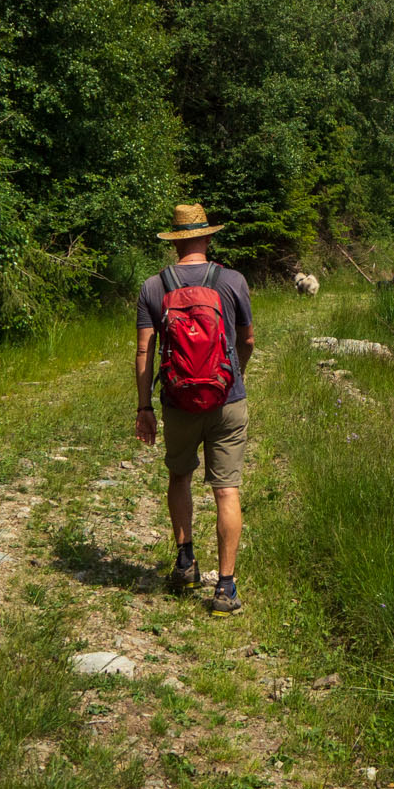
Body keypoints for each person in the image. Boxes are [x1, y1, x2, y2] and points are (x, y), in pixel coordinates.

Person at [135, 203, 255, 615]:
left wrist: (143, 406)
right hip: (228, 398)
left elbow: (144, 352)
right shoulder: (233, 280)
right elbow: (248, 341)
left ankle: (185, 563)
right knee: (226, 489)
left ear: (176, 242)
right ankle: (225, 588)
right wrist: (232, 373)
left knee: (179, 476)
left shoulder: (154, 287)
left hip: (178, 401)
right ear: (206, 237)